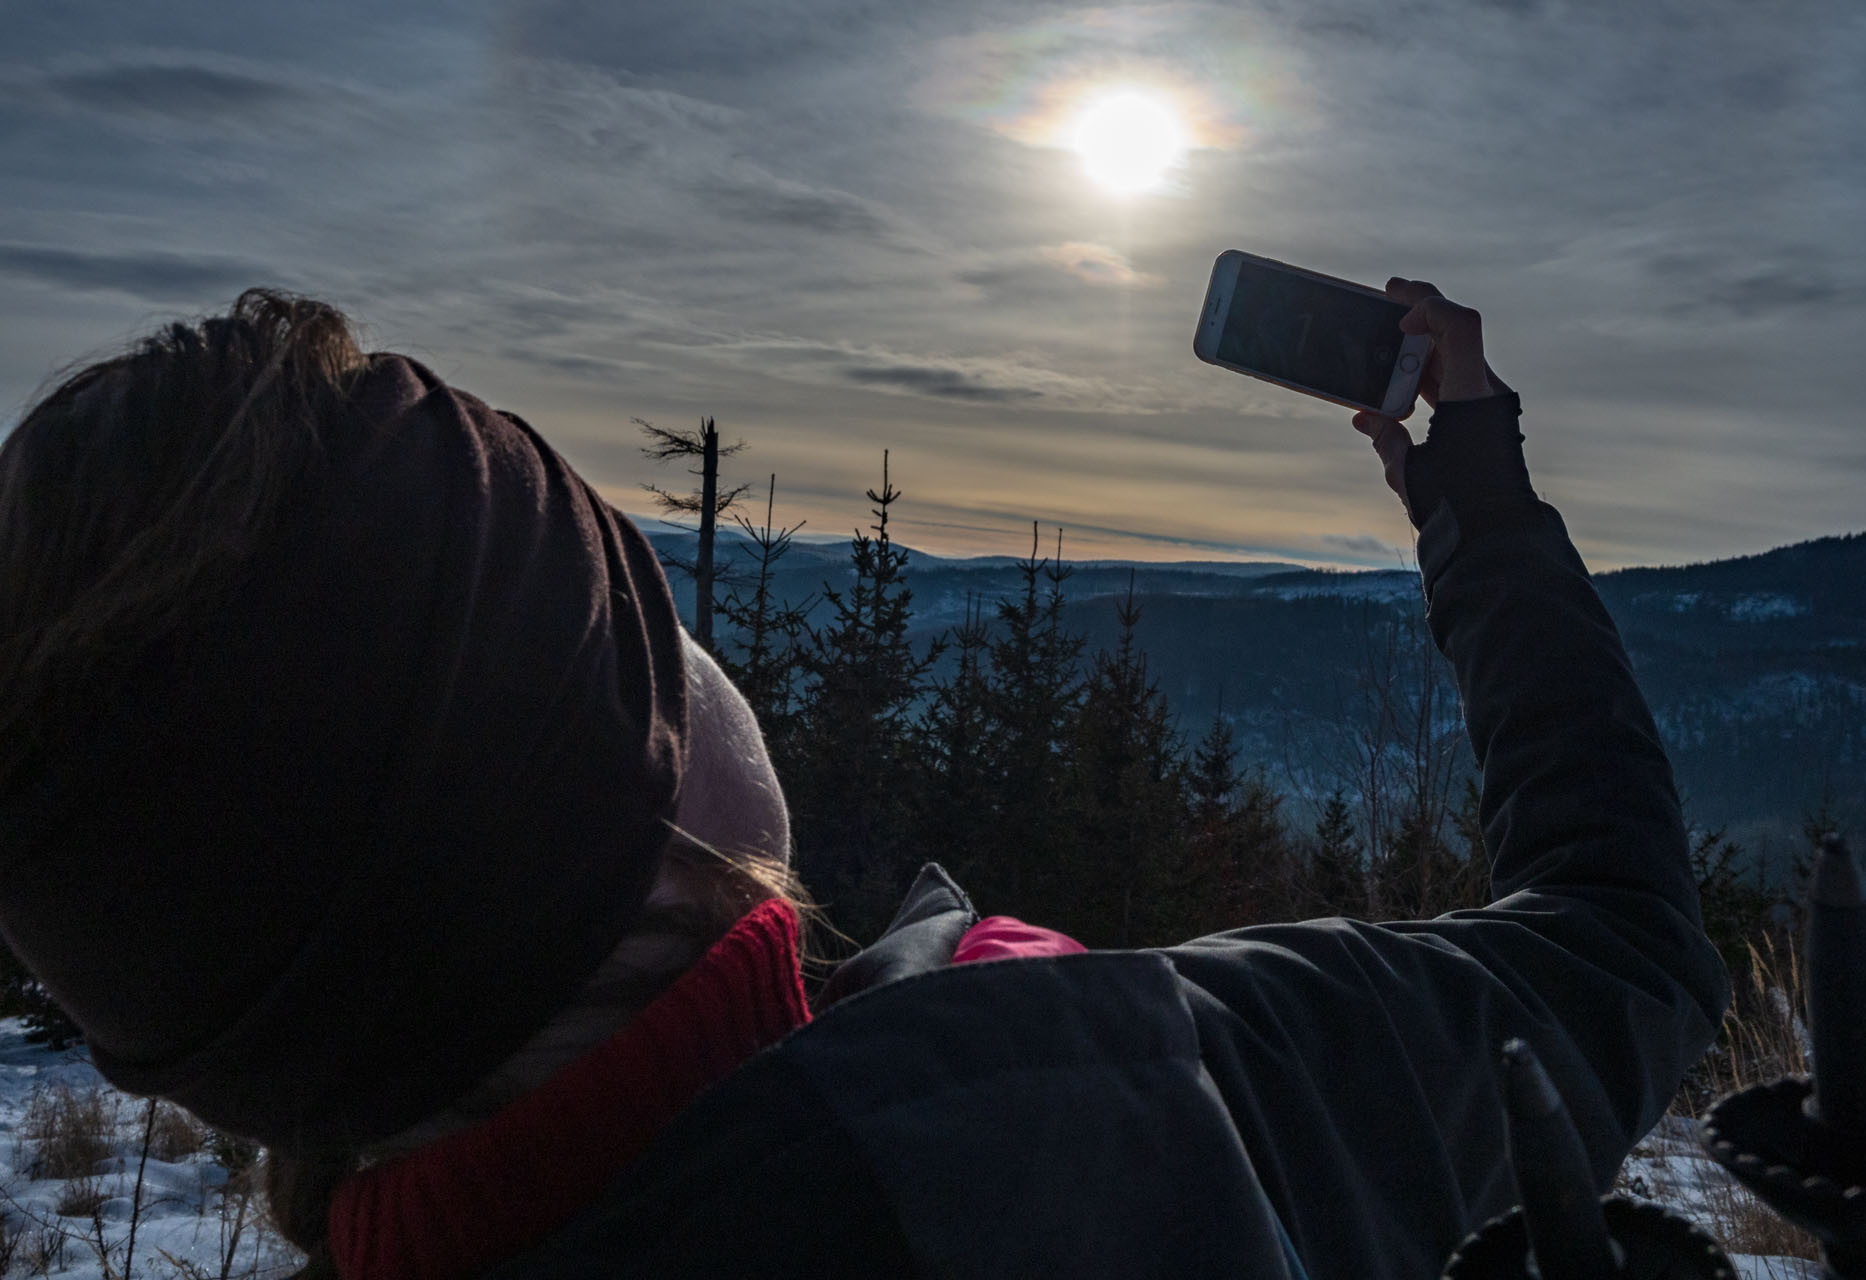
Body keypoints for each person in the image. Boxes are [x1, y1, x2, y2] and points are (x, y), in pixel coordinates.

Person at [0, 283, 1729, 1279]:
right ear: (649, 814)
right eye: (652, 637)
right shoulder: (1126, 1092)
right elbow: (1623, 944)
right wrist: (1474, 489)